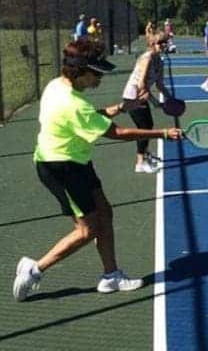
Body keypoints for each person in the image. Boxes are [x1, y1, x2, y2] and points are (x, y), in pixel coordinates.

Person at [12, 40, 182, 302]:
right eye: (97, 72)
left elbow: (89, 117)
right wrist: (163, 133)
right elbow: (117, 132)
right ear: (80, 71)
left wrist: (121, 108)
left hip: (76, 162)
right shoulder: (73, 103)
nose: (101, 76)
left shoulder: (56, 86)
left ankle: (111, 275)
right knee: (86, 230)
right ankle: (34, 270)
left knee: (105, 212)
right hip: (60, 167)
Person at [122, 33, 174, 173]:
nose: (163, 45)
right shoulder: (147, 58)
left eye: (165, 42)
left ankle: (146, 154)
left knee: (147, 127)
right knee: (145, 128)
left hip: (142, 96)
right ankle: (140, 163)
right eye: (160, 43)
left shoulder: (160, 61)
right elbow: (141, 83)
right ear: (152, 44)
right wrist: (154, 101)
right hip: (133, 96)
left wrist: (171, 99)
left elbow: (160, 85)